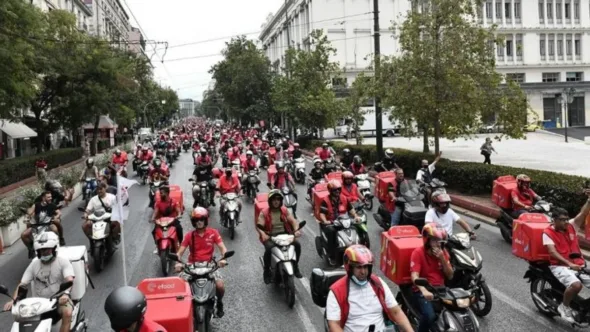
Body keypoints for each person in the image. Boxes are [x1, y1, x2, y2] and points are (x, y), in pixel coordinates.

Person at [326, 245, 414, 332]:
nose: (363, 272)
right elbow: (334, 325)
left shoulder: (378, 283)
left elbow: (396, 312)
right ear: (350, 267)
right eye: (359, 267)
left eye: (365, 267)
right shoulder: (336, 291)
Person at [3, 233, 75, 332]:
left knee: (67, 312)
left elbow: (69, 280)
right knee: (21, 317)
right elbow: (22, 284)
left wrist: (65, 294)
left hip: (59, 300)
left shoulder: (63, 262)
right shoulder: (34, 265)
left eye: (47, 249)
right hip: (39, 304)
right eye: (41, 250)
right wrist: (14, 300)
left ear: (54, 248)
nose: (44, 252)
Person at [542, 196, 590, 323]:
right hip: (559, 266)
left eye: (567, 219)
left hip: (579, 264)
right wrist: (569, 264)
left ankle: (584, 309)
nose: (566, 222)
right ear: (554, 220)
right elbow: (552, 252)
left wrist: (589, 200)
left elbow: (583, 213)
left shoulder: (571, 226)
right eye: (562, 220)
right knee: (576, 285)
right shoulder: (547, 233)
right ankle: (564, 306)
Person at [176, 207, 228, 318]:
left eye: (201, 219)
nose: (199, 222)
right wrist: (178, 262)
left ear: (205, 220)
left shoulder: (213, 233)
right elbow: (180, 252)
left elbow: (223, 248)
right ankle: (182, 312)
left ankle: (219, 302)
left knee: (220, 286)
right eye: (197, 220)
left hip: (209, 266)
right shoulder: (189, 235)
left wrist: (223, 259)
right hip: (192, 266)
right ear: (193, 222)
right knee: (179, 288)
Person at [410, 224, 454, 332]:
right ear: (427, 241)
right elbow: (414, 275)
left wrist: (442, 259)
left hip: (441, 290)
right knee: (430, 316)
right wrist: (424, 291)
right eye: (435, 240)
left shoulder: (443, 254)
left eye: (440, 241)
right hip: (423, 290)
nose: (438, 244)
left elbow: (450, 275)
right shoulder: (418, 253)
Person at [256, 190, 303, 283]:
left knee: (297, 245)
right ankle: (266, 271)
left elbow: (293, 221)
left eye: (278, 199)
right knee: (269, 249)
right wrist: (263, 234)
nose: (276, 201)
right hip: (270, 235)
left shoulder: (285, 210)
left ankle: (296, 266)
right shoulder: (264, 212)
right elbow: (259, 226)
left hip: (285, 234)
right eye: (274, 199)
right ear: (270, 201)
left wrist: (296, 230)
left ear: (281, 200)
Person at [318, 180, 363, 263]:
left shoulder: (344, 198)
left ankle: (359, 249)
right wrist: (325, 221)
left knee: (355, 228)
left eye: (339, 189)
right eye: (335, 190)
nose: (337, 191)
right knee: (332, 233)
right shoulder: (326, 200)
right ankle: (331, 255)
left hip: (344, 220)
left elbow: (350, 209)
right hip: (332, 223)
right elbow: (322, 213)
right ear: (331, 191)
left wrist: (356, 216)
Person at [82, 183, 120, 250]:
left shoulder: (112, 197)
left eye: (101, 189)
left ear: (105, 188)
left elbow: (117, 207)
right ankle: (91, 241)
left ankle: (114, 238)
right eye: (98, 189)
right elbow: (88, 210)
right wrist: (85, 214)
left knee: (116, 223)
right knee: (85, 226)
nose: (99, 191)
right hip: (96, 219)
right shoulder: (93, 199)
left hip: (108, 218)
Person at [23, 191, 61, 257]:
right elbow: (30, 212)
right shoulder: (36, 205)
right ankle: (30, 248)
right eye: (48, 197)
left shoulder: (52, 205)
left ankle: (57, 243)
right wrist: (28, 214)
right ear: (43, 198)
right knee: (24, 235)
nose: (50, 198)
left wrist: (56, 217)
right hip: (37, 225)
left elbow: (59, 213)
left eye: (51, 197)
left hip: (48, 224)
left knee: (55, 230)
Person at [35, 180, 69, 245]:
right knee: (26, 232)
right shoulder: (38, 199)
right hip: (41, 218)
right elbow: (33, 210)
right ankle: (32, 248)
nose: (50, 198)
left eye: (50, 196)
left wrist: (65, 191)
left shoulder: (56, 195)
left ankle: (61, 238)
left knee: (57, 221)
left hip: (53, 215)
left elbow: (66, 199)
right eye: (48, 197)